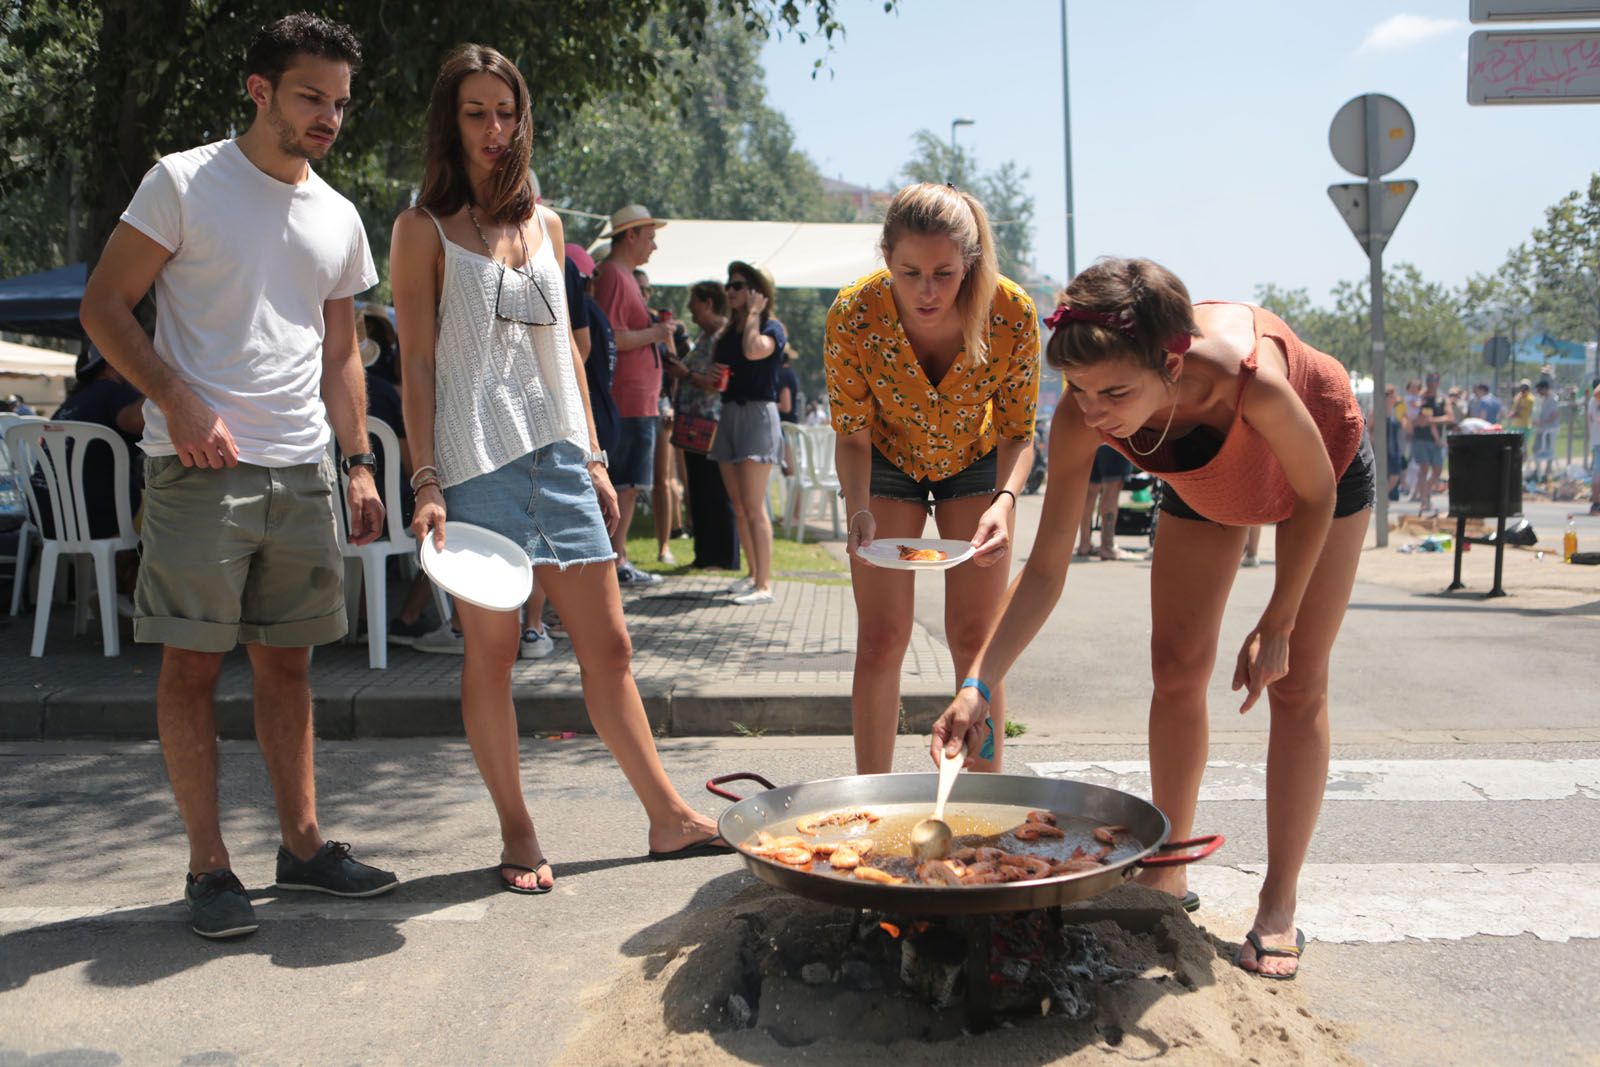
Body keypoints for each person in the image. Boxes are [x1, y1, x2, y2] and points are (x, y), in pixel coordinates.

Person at [931, 257, 1373, 979]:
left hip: (1317, 471)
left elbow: (1317, 493)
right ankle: (1167, 869)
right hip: (1205, 480)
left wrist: (1278, 618)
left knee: (1295, 682)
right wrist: (976, 685)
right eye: (1077, 388)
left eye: (1114, 390)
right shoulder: (1083, 414)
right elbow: (1044, 572)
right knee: (1175, 667)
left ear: (1171, 363)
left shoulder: (1250, 379)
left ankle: (1278, 899)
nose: (1094, 409)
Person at [77, 13, 398, 939]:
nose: (329, 116)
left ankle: (300, 850)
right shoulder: (182, 181)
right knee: (190, 667)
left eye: (339, 101)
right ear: (259, 89)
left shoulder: (338, 216)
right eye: (311, 96)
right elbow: (104, 304)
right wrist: (174, 399)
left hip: (302, 468)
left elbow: (343, 354)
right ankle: (207, 867)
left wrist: (359, 463)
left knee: (290, 665)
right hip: (198, 467)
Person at [389, 44, 727, 894]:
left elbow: (568, 355)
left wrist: (597, 455)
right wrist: (425, 479)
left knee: (609, 643)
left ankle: (669, 816)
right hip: (474, 461)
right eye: (476, 112)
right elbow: (419, 364)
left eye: (506, 112)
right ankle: (518, 830)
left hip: (559, 456)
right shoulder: (420, 229)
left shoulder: (546, 225)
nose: (495, 129)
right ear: (451, 121)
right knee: (492, 653)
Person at [825, 182, 1038, 774]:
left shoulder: (1011, 312)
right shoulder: (854, 312)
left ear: (969, 263)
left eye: (944, 274)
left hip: (976, 465)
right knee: (882, 638)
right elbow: (851, 433)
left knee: (976, 640)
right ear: (886, 259)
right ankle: (870, 799)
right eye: (908, 272)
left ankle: (983, 797)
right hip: (885, 465)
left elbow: (1020, 432)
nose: (926, 291)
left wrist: (1005, 502)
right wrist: (857, 508)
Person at [593, 204, 675, 587]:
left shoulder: (620, 274)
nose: (654, 246)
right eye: (650, 236)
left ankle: (617, 557)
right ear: (631, 235)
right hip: (627, 400)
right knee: (624, 484)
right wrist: (655, 335)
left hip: (638, 400)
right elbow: (611, 337)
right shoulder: (613, 274)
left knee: (630, 485)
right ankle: (615, 559)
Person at [712, 261, 788, 605]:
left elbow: (754, 350)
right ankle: (752, 573)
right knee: (739, 505)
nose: (730, 290)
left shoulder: (772, 328)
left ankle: (764, 585)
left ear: (758, 292)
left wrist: (755, 314)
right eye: (729, 284)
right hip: (729, 413)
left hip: (759, 414)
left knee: (756, 507)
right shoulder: (727, 333)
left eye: (739, 285)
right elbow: (725, 370)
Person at [671, 280, 741, 570]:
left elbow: (717, 383)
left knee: (714, 490)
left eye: (695, 303)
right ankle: (705, 554)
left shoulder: (722, 337)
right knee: (698, 490)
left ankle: (723, 556)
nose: (691, 310)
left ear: (708, 303)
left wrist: (686, 374)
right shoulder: (705, 337)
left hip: (711, 425)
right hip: (694, 425)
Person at [634, 268, 687, 564]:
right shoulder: (630, 320)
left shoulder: (658, 322)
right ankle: (622, 552)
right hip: (634, 405)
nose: (644, 295)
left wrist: (667, 339)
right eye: (639, 290)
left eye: (648, 290)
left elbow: (675, 367)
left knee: (663, 480)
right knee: (628, 483)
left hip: (661, 404)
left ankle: (664, 545)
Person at [1074, 445, 1136, 561]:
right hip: (1114, 441)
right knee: (1112, 490)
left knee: (1090, 492)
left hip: (1092, 439)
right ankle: (1107, 547)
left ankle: (1084, 543)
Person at [1410, 371, 1447, 515]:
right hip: (1421, 439)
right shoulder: (1422, 399)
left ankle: (1426, 493)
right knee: (1424, 468)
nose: (1432, 383)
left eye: (1434, 380)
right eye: (1429, 380)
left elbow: (1443, 418)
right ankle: (1425, 499)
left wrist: (1434, 423)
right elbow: (1423, 421)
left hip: (1434, 439)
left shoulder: (1441, 400)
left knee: (1437, 469)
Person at [1532, 379, 1560, 482]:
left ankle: (1548, 469)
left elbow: (1554, 414)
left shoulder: (1552, 399)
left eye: (1540, 390)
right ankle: (1538, 470)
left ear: (1544, 389)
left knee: (1549, 450)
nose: (1539, 392)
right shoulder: (1543, 399)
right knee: (1536, 448)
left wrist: (1543, 422)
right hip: (1542, 429)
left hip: (1550, 429)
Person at [1588, 381, 1600, 515]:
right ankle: (1597, 503)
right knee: (1597, 472)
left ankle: (1596, 502)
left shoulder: (1593, 401)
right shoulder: (1596, 401)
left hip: (1596, 440)